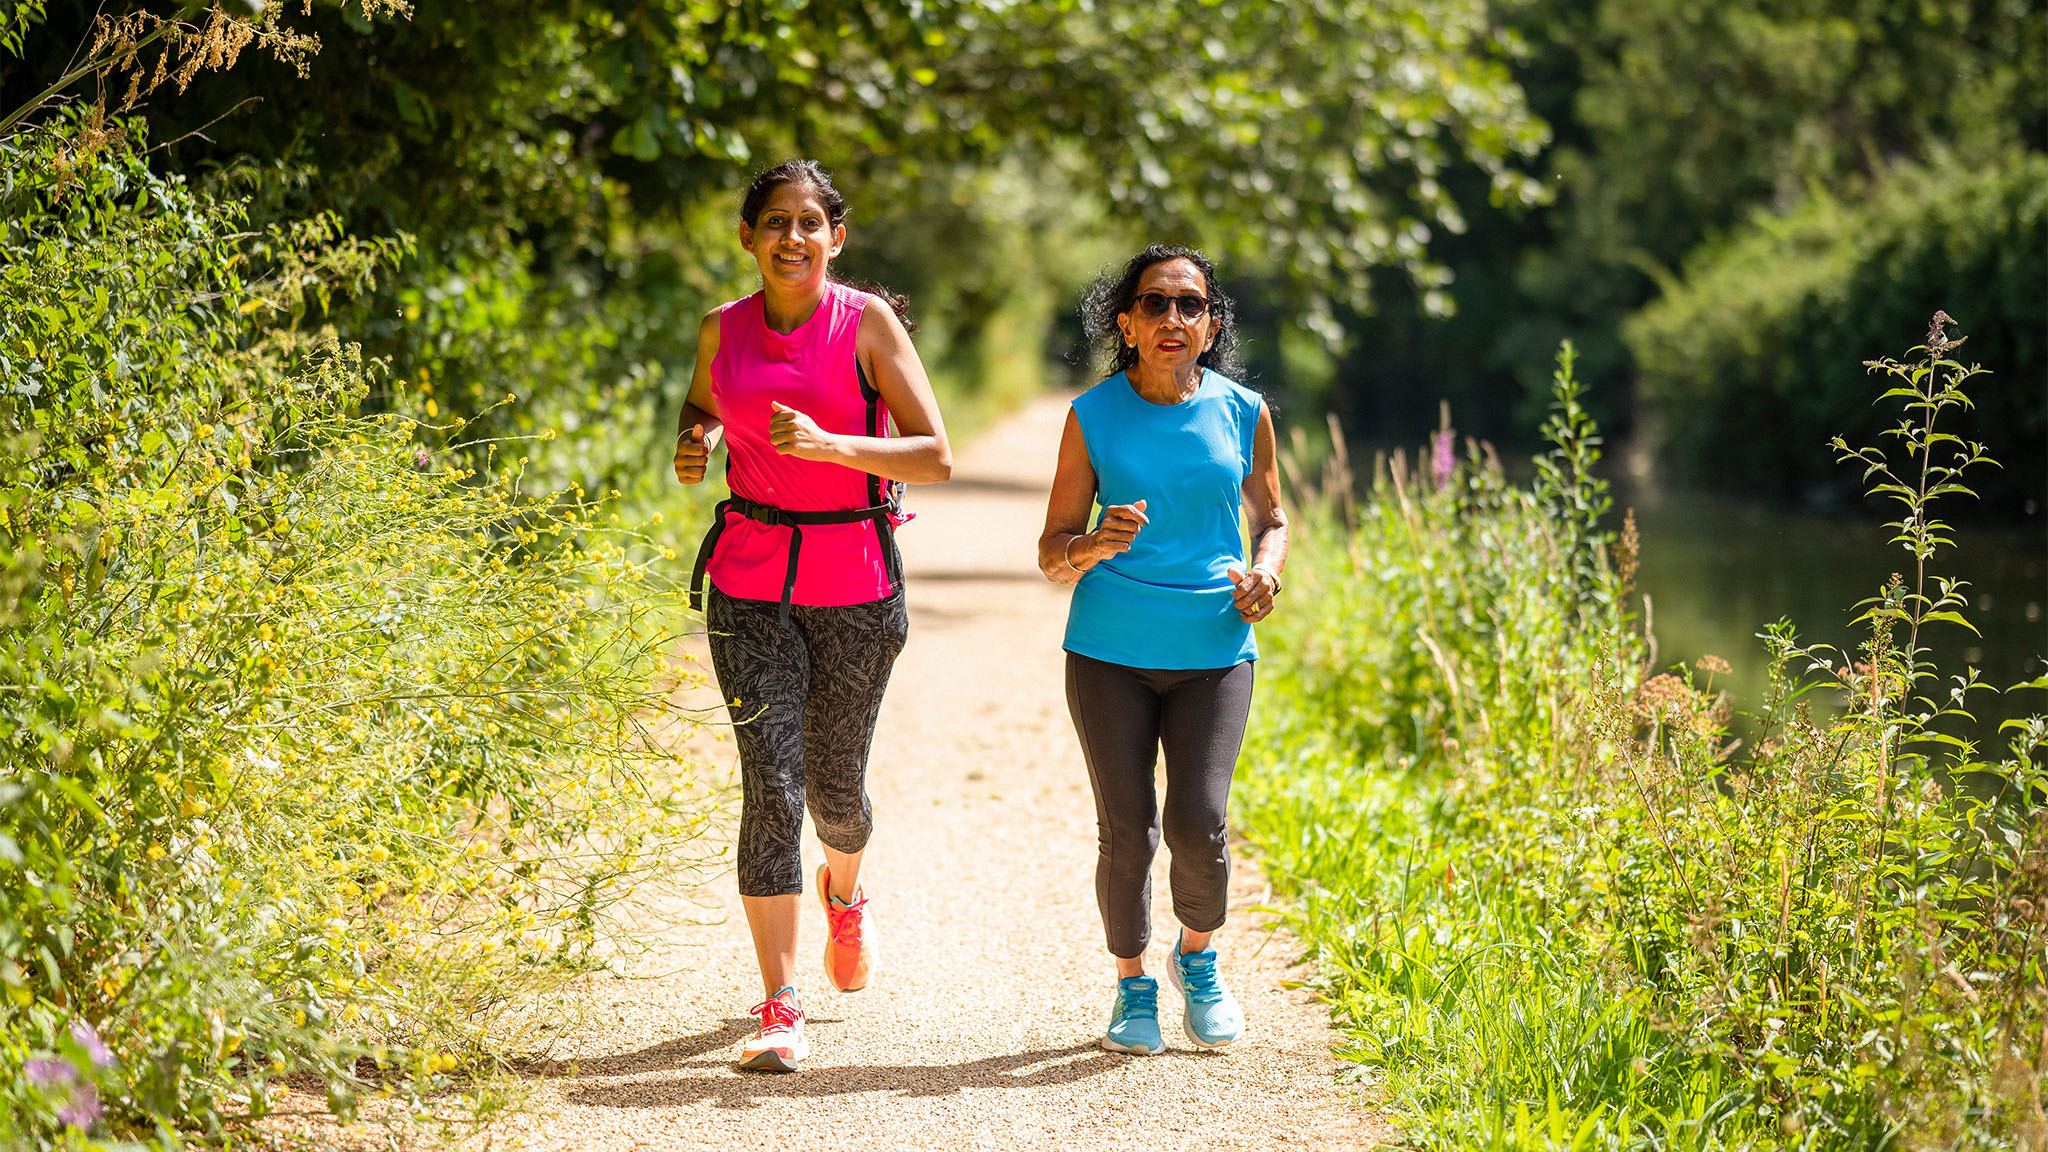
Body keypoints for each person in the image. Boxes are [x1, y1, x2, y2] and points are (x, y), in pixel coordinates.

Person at [674, 159, 951, 1073]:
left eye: (809, 223)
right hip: (749, 581)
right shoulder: (722, 330)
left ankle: (846, 895)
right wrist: (699, 436)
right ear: (748, 237)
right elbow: (704, 401)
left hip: (857, 585)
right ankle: (779, 1002)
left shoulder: (866, 323)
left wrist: (837, 447)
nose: (792, 238)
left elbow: (935, 455)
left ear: (836, 236)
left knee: (836, 792)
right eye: (774, 223)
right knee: (772, 787)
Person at [1036, 245, 1288, 1056]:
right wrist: (1095, 544)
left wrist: (1267, 574)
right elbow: (1049, 551)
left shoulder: (1245, 411)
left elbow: (1272, 519)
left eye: (1190, 305)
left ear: (1211, 325)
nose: (1173, 319)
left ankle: (1199, 957)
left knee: (1200, 823)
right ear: (1126, 322)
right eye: (1154, 304)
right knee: (1129, 829)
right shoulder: (1094, 416)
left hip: (1216, 647)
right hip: (1110, 648)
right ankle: (1131, 985)